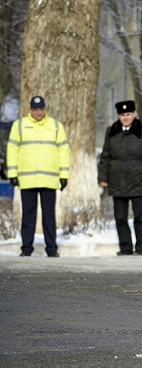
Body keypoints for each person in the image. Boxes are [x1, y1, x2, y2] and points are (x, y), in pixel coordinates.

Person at [6, 96, 70, 257]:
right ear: (30, 110)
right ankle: (26, 248)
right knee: (28, 215)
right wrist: (12, 173)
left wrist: (64, 175)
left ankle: (51, 248)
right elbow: (12, 150)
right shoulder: (19, 125)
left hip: (49, 179)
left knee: (49, 215)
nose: (39, 112)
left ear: (45, 109)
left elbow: (63, 151)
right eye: (35, 109)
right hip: (27, 179)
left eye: (41, 109)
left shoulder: (56, 126)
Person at [98, 100, 142, 256]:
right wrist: (102, 176)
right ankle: (125, 248)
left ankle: (140, 248)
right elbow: (105, 156)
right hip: (117, 180)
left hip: (139, 179)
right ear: (119, 116)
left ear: (134, 115)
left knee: (140, 217)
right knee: (120, 217)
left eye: (129, 114)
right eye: (123, 115)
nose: (126, 118)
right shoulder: (111, 132)